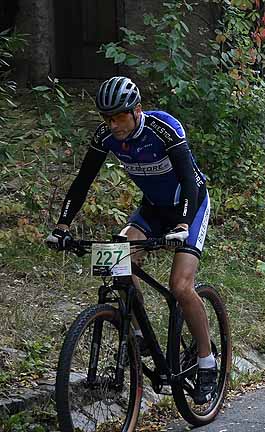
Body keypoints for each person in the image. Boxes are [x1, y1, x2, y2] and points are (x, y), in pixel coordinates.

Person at [45, 76, 217, 404]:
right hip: (153, 209)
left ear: (136, 111)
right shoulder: (106, 136)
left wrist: (182, 224)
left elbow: (189, 180)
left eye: (119, 117)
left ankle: (207, 361)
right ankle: (138, 334)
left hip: (190, 205)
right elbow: (82, 182)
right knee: (117, 258)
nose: (113, 125)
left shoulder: (164, 129)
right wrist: (62, 227)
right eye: (106, 118)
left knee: (181, 286)